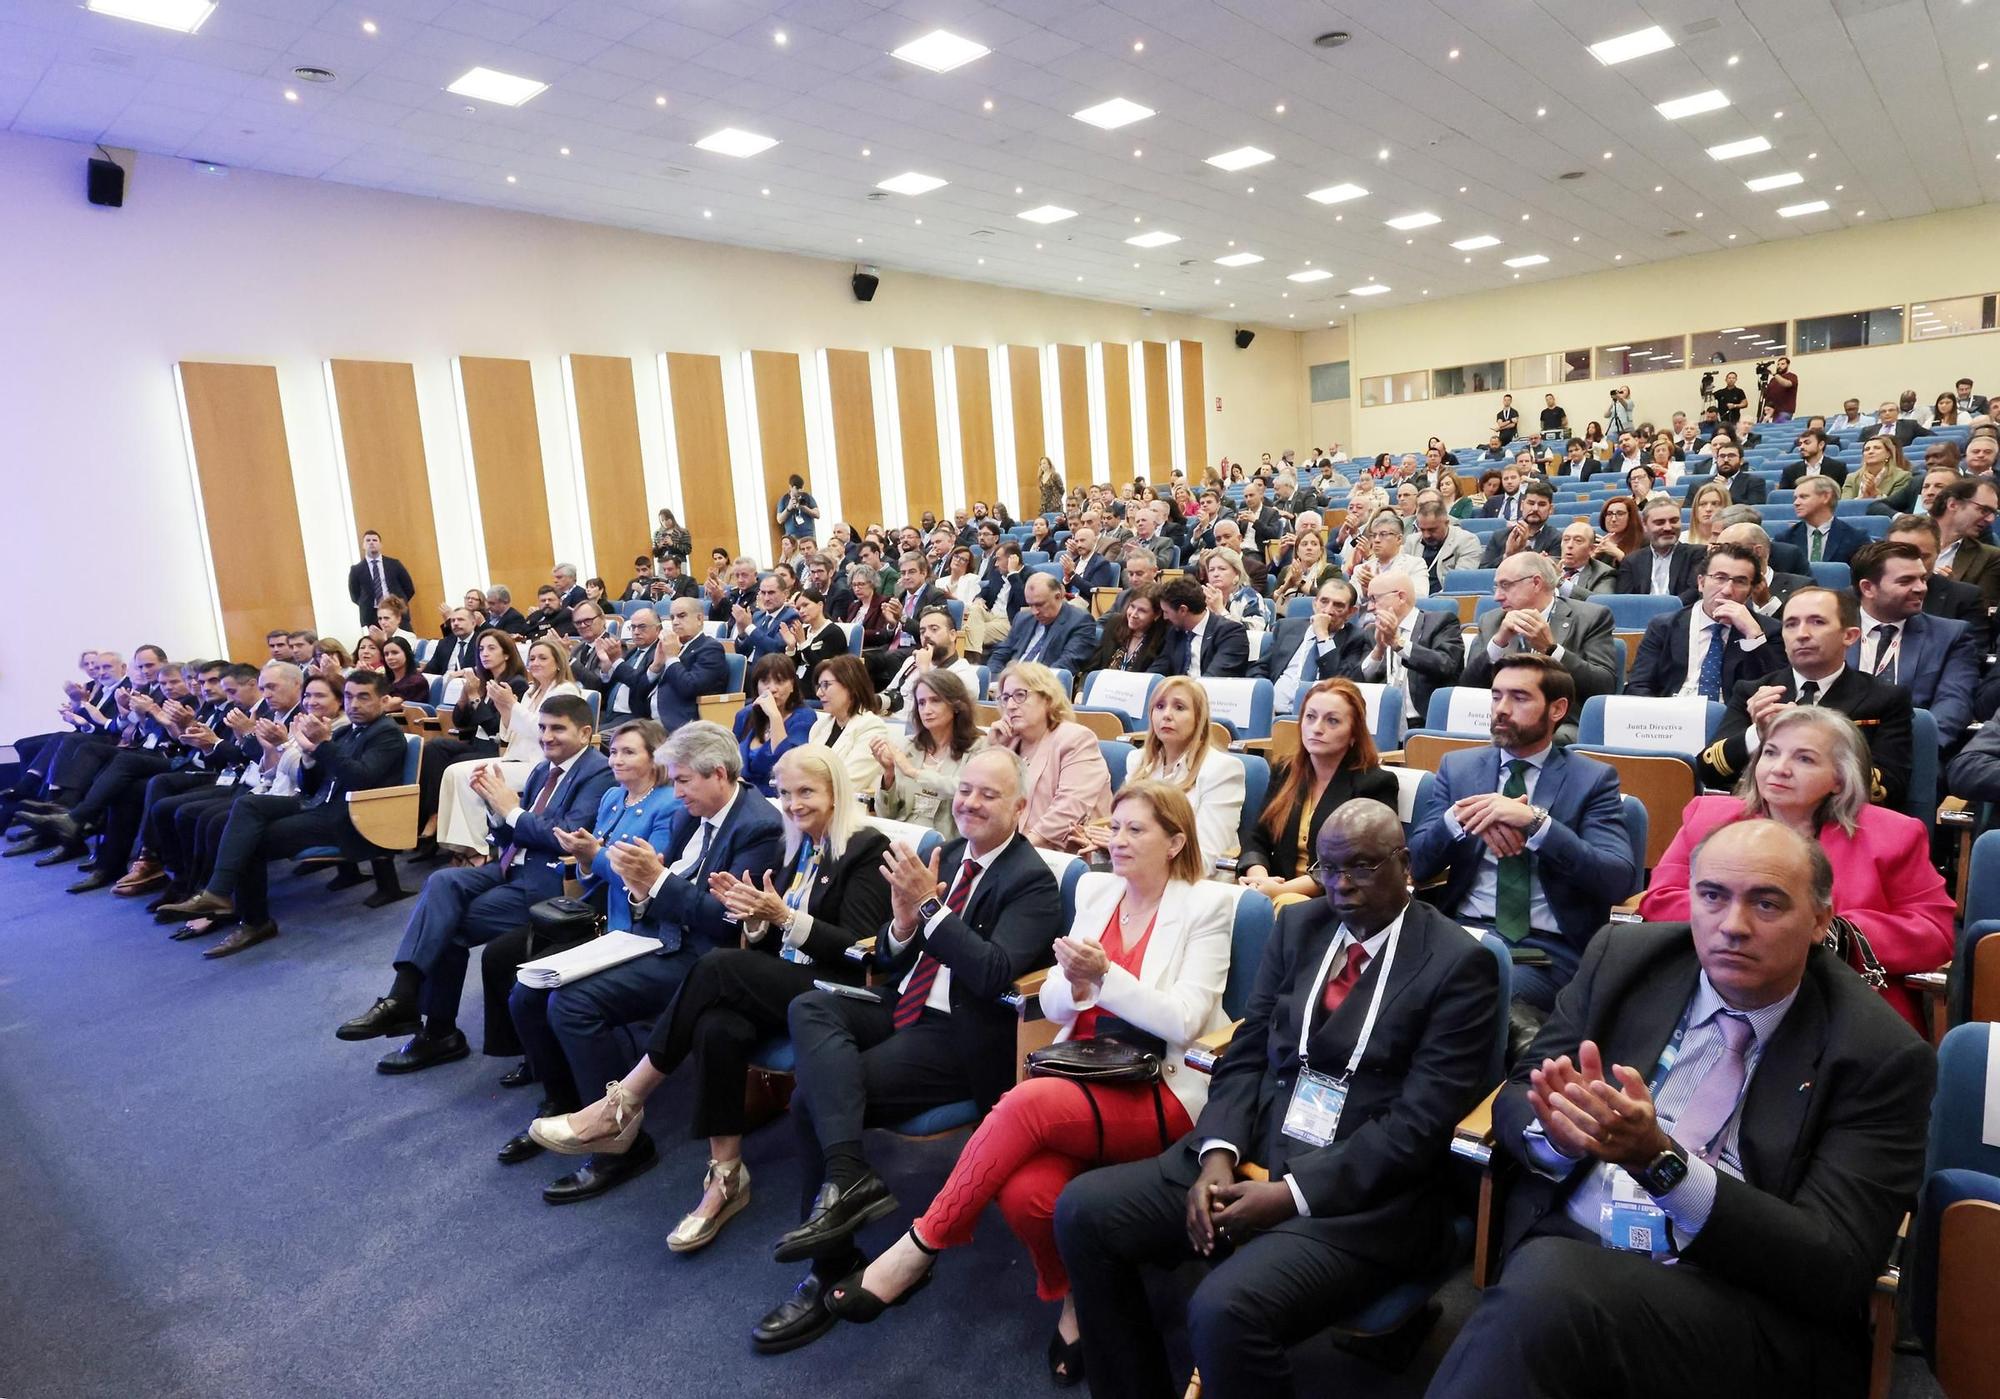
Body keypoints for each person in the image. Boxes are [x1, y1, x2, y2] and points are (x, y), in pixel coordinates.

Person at [1427, 820, 1934, 1399]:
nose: (1733, 926)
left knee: (1545, 1290)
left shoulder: (1879, 1054)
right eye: (1712, 896)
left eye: (1767, 904)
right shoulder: (1624, 959)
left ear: (1821, 921)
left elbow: (1835, 1265)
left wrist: (1661, 1163)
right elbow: (1522, 1093)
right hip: (1576, 1240)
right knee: (1546, 1294)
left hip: (1737, 1297)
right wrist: (1561, 1135)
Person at [1054, 800, 1497, 1399]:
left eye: (1362, 868)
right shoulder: (1300, 927)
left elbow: (1416, 1127)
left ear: (1405, 863)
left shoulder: (1456, 963)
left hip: (1362, 1195)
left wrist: (1290, 1195)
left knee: (1222, 1309)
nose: (1341, 886)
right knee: (1084, 1210)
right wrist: (1216, 1155)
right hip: (1258, 1140)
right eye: (1329, 867)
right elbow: (1246, 1050)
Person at [827, 783, 1237, 1379]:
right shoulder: (1097, 892)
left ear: (1175, 841)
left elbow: (1184, 1021)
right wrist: (1075, 984)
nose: (1117, 840)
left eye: (1135, 830)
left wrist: (1105, 977)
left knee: (1028, 1101)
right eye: (1114, 827)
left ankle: (918, 1249)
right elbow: (1049, 998)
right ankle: (1074, 1292)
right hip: (1084, 1069)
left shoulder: (1208, 906)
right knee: (1025, 1196)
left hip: (1160, 1087)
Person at [753, 747, 1062, 1354]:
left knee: (811, 1104)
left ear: (1021, 807)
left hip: (959, 1037)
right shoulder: (944, 857)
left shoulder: (1031, 880)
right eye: (964, 790)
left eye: (988, 795)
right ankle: (849, 1179)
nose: (969, 802)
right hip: (904, 1008)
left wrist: (927, 906)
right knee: (810, 1005)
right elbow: (894, 959)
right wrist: (900, 924)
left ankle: (826, 1269)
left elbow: (994, 973)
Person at [528, 745, 891, 1243]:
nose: (793, 803)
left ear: (836, 792)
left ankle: (624, 1102)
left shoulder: (864, 846)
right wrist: (758, 919)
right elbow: (765, 934)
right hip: (786, 977)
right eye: (785, 793)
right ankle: (726, 1177)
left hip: (837, 993)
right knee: (716, 1025)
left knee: (716, 965)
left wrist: (784, 918)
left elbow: (859, 951)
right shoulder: (797, 845)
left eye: (806, 791)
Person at [507, 721, 786, 1203]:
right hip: (651, 938)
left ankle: (621, 1144)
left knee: (571, 1005)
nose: (674, 791)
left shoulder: (757, 826)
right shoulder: (688, 814)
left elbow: (725, 924)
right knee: (530, 991)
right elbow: (656, 889)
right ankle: (571, 1102)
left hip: (703, 960)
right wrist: (641, 890)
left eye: (682, 780)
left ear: (718, 774)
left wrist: (653, 884)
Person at [333, 693, 614, 1067]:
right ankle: (409, 1001)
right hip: (508, 869)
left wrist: (509, 809)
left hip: (548, 883)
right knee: (443, 882)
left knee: (444, 927)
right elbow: (510, 833)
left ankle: (431, 1025)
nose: (546, 737)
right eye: (543, 728)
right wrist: (496, 813)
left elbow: (564, 834)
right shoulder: (543, 770)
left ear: (584, 732)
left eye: (557, 729)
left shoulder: (598, 772)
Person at [1641, 707, 1952, 1031]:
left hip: (1843, 1004)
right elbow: (1660, 901)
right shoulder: (1706, 819)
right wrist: (1766, 925)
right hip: (1719, 990)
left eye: (1804, 759)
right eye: (1771, 753)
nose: (1780, 769)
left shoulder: (1894, 835)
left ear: (1839, 778)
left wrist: (1837, 934)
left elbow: (1935, 933)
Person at [1410, 654, 1635, 1010]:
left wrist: (1536, 823)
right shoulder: (1459, 768)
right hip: (1462, 934)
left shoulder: (1592, 780)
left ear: (1557, 709)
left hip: (1544, 950)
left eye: (1519, 697)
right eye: (1496, 696)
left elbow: (1617, 879)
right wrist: (1458, 819)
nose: (1501, 708)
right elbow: (1418, 866)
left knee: (1473, 993)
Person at [157, 671, 410, 958]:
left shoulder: (386, 733)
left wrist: (323, 745)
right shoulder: (345, 731)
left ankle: (254, 921)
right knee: (248, 806)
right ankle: (219, 892)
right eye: (350, 696)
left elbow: (360, 779)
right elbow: (310, 783)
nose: (353, 704)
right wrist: (311, 754)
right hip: (317, 804)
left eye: (364, 697)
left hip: (350, 816)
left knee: (252, 842)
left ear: (384, 700)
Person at [1699, 587, 1915, 812]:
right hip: (1763, 822)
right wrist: (1758, 734)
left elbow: (1891, 788)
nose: (1802, 634)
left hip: (1841, 821)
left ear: (1849, 636)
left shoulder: (1885, 698)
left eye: (1817, 622)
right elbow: (1709, 771)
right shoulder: (1756, 692)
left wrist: (1818, 742)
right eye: (1791, 624)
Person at [1237, 678, 1397, 902]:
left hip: (1338, 900)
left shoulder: (1375, 783)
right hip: (1273, 891)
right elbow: (1256, 839)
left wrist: (1279, 892)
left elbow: (1353, 866)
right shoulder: (1285, 771)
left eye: (1332, 721)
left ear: (1354, 734)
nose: (1317, 728)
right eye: (1310, 717)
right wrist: (1259, 880)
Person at [434, 638, 583, 859]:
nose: (535, 662)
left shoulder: (565, 690)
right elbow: (507, 734)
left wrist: (511, 705)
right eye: (532, 658)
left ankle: (478, 847)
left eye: (543, 658)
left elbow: (545, 734)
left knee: (473, 777)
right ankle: (459, 843)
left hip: (542, 764)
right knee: (453, 771)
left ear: (559, 663)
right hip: (517, 757)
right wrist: (504, 708)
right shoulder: (532, 691)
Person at [1081, 678, 1245, 875]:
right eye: (1159, 706)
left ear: (1199, 718)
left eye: (1179, 707)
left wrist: (1127, 847)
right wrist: (1104, 844)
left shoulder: (1222, 770)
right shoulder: (1138, 761)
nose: (1166, 715)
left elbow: (1203, 860)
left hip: (1190, 885)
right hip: (1137, 876)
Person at [1460, 555, 1619, 739]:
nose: (1497, 596)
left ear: (1536, 583)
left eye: (1505, 585)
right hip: (1499, 717)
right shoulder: (1492, 620)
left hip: (1560, 722)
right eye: (1496, 587)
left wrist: (1552, 649)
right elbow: (1467, 687)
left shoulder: (1590, 617)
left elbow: (1604, 686)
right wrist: (1498, 644)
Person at [410, 628, 528, 858]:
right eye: (481, 649)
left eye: (491, 648)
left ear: (506, 654)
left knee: (454, 764)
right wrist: (466, 696)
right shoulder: (483, 681)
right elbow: (460, 722)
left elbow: (497, 728)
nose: (484, 653)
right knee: (433, 749)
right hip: (476, 743)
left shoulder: (516, 684)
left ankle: (444, 825)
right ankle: (431, 815)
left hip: (499, 748)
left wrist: (475, 698)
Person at [1846, 540, 1977, 746]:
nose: (1921, 588)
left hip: (1913, 753)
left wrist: (1910, 751)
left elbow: (1953, 705)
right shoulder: (1833, 630)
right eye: (1906, 581)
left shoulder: (1951, 635)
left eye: (1923, 579)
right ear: (1868, 588)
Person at [1626, 542, 1782, 698]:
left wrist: (1753, 636)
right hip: (1671, 714)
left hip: (1733, 717)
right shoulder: (1664, 626)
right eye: (1720, 578)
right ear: (1701, 583)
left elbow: (1777, 691)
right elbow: (1639, 685)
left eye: (1740, 582)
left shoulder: (1767, 631)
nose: (1727, 590)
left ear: (1750, 591)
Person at [987, 661, 1113, 850]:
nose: (1011, 705)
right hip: (1010, 851)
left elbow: (1067, 811)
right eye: (1005, 698)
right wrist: (993, 750)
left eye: (1020, 695)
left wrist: (1018, 853)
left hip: (1060, 854)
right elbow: (982, 800)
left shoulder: (1076, 739)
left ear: (1047, 699)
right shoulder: (1008, 743)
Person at [873, 669, 984, 840]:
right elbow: (885, 815)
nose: (927, 710)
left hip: (947, 844)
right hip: (902, 838)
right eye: (921, 703)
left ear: (956, 705)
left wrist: (915, 773)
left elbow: (966, 792)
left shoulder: (978, 749)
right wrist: (889, 775)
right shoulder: (908, 746)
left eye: (935, 701)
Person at [1357, 572, 1465, 725]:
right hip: (1382, 722)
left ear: (1401, 597)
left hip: (1424, 721)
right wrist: (1379, 650)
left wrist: (1398, 644)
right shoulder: (1372, 631)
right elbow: (1361, 679)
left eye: (1374, 599)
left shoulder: (1441, 622)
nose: (1370, 607)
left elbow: (1446, 665)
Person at [802, 654, 890, 799]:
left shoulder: (872, 727)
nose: (818, 693)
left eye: (826, 685)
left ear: (850, 686)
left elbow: (849, 782)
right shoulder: (820, 726)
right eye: (818, 686)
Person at [734, 654, 816, 795]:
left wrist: (774, 716)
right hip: (741, 792)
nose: (772, 688)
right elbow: (728, 756)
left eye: (780, 681)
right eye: (765, 682)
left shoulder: (804, 717)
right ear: (756, 686)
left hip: (779, 795)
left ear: (792, 686)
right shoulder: (745, 714)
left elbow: (788, 763)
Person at [987, 572, 1097, 675]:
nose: (1034, 611)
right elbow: (1000, 655)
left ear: (1058, 597)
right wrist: (995, 681)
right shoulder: (1022, 618)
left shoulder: (1080, 621)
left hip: (1043, 686)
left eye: (1039, 605)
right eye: (1030, 605)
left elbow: (1066, 664)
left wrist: (1024, 683)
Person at [649, 596, 730, 731]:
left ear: (699, 619)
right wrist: (655, 667)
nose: (675, 622)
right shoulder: (672, 646)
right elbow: (639, 689)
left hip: (678, 724)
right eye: (672, 617)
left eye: (681, 616)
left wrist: (671, 658)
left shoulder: (710, 649)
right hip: (645, 717)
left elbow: (690, 688)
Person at [1150, 577, 1250, 679]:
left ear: (1183, 610)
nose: (1164, 617)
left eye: (1166, 612)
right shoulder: (1175, 632)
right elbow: (1159, 668)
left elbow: (1216, 678)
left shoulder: (1231, 633)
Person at [1929, 476, 2000, 608]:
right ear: (1953, 504)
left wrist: (1950, 589)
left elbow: (1981, 614)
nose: (1990, 519)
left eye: (1993, 513)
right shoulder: (1905, 539)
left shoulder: (1989, 558)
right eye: (1983, 510)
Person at [1617, 495, 1707, 595]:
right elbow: (1626, 601)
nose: (1668, 527)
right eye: (1659, 522)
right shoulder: (1632, 561)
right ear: (1644, 525)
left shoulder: (1697, 554)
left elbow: (1694, 594)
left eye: (1674, 521)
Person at [1779, 476, 1867, 566]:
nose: (1796, 503)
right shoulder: (1785, 539)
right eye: (1795, 498)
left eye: (1803, 497)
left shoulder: (1856, 539)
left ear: (1826, 497)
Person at [1085, 584, 1169, 678]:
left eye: (1142, 611)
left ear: (1156, 615)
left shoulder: (1162, 638)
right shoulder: (1114, 624)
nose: (1133, 614)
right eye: (1132, 606)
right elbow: (1093, 666)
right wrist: (1081, 690)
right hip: (1104, 688)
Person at [347, 530, 416, 629]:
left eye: (374, 540)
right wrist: (367, 604)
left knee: (403, 641)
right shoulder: (356, 570)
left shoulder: (394, 564)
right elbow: (355, 595)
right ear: (363, 545)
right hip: (372, 615)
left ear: (380, 545)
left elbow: (409, 588)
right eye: (368, 540)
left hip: (396, 611)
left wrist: (396, 602)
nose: (371, 542)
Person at [1479, 482, 1560, 566]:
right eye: (1531, 503)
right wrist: (1508, 556)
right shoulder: (1499, 536)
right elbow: (1484, 570)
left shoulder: (1557, 539)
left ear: (1550, 509)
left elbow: (1555, 574)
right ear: (1522, 505)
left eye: (1541, 505)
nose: (1535, 509)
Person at [1203, 547, 1271, 632]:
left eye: (1222, 569)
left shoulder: (1250, 598)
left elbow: (1253, 633)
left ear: (1237, 574)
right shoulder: (1205, 598)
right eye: (1211, 570)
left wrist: (1220, 610)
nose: (1215, 574)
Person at [1843, 435, 1912, 502]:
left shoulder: (1902, 477)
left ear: (1888, 454)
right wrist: (1862, 497)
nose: (1871, 452)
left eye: (1877, 448)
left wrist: (1877, 494)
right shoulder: (1852, 478)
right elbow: (1843, 505)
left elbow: (1898, 504)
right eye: (1867, 449)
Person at [1779, 426, 1848, 489]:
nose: (1801, 447)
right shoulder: (1790, 471)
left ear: (1821, 445)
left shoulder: (1838, 468)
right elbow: (1784, 498)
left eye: (1807, 443)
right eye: (1800, 444)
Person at [379, 637, 429, 703]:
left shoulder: (417, 682)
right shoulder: (384, 680)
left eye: (395, 653)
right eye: (386, 654)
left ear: (407, 654)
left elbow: (389, 706)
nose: (389, 657)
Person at [776, 473, 819, 542]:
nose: (800, 490)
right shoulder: (784, 499)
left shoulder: (807, 497)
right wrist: (789, 508)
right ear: (790, 487)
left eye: (801, 488)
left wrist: (804, 508)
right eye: (797, 488)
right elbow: (779, 520)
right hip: (792, 538)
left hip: (808, 536)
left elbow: (817, 515)